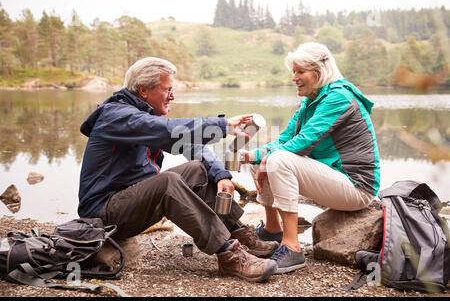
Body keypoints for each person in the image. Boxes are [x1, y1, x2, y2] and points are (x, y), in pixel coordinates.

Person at [77, 57, 279, 283]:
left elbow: (190, 144)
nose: (172, 96)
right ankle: (229, 255)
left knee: (198, 169)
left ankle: (237, 232)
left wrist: (221, 175)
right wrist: (225, 126)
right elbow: (169, 130)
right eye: (167, 89)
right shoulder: (116, 116)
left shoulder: (142, 116)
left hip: (132, 201)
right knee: (168, 182)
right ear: (143, 90)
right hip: (103, 213)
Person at [240, 42, 380, 274]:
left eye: (300, 71)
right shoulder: (310, 101)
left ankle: (292, 246)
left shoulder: (339, 97)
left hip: (357, 187)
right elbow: (284, 139)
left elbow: (305, 141)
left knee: (277, 160)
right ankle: (273, 229)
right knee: (264, 158)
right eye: (293, 71)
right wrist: (252, 156)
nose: (294, 77)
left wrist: (268, 158)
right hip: (334, 179)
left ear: (320, 71)